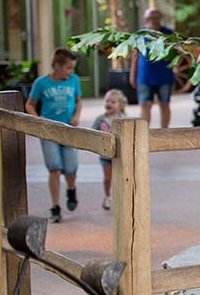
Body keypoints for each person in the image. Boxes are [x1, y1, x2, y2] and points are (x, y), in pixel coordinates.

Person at [26, 48, 83, 222]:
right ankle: (55, 206)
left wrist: (76, 116)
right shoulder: (41, 83)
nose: (71, 71)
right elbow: (30, 104)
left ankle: (71, 189)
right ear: (56, 66)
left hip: (69, 130)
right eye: (68, 67)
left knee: (71, 168)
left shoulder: (74, 80)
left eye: (73, 68)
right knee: (55, 168)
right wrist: (38, 121)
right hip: (49, 132)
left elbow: (78, 101)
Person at [129, 8, 176, 128]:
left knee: (164, 104)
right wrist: (132, 75)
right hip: (145, 76)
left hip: (164, 76)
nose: (153, 21)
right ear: (145, 19)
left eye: (156, 18)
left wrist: (174, 72)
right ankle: (144, 133)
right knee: (145, 105)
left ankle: (164, 131)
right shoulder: (139, 34)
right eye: (150, 18)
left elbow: (176, 54)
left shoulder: (169, 34)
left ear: (160, 18)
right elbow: (135, 56)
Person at [89, 89, 129, 210]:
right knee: (108, 177)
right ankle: (107, 196)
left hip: (120, 155)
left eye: (113, 101)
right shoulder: (100, 120)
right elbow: (92, 133)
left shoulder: (123, 120)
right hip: (105, 156)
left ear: (120, 104)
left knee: (122, 178)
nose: (109, 104)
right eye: (107, 101)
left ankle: (121, 198)